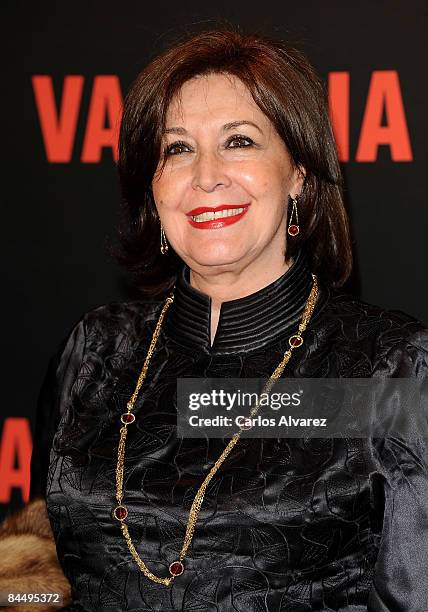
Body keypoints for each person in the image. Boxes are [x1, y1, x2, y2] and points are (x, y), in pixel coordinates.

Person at [6, 27, 428, 611]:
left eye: (240, 142)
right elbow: (45, 573)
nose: (206, 176)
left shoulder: (390, 366)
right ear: (152, 188)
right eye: (177, 149)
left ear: (299, 172)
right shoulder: (93, 351)